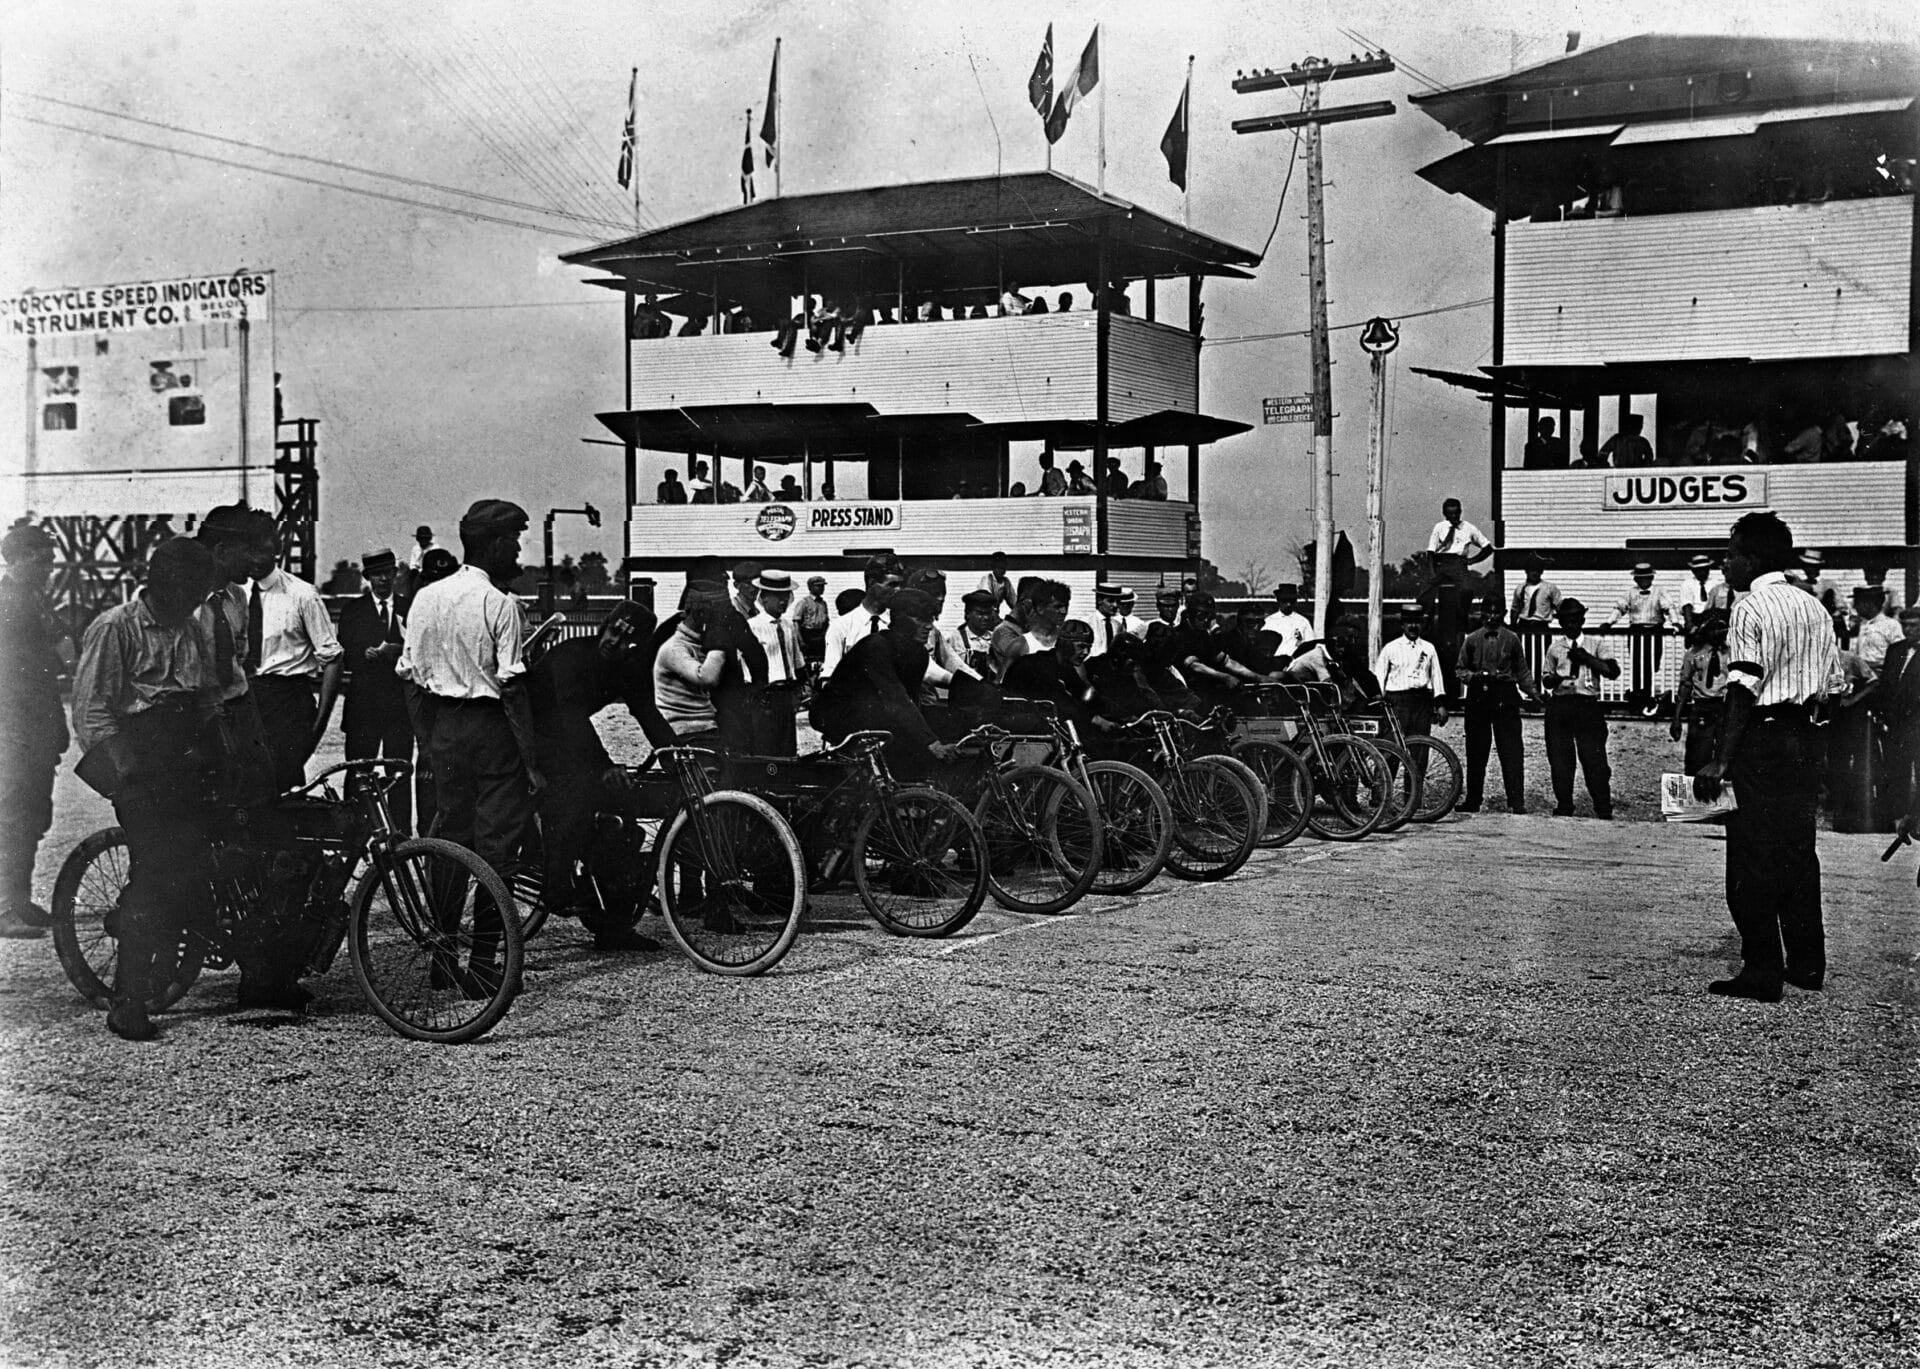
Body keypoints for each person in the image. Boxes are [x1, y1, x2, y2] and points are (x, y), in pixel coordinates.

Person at [69, 538, 224, 1039]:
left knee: (204, 861)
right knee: (155, 872)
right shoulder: (116, 628)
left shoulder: (194, 628)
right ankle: (128, 998)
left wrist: (220, 751)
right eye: (193, 588)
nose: (199, 598)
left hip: (186, 758)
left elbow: (206, 698)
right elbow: (92, 711)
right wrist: (126, 783)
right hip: (140, 761)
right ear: (166, 583)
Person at [1696, 511, 1844, 1001]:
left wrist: (1720, 759)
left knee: (1752, 856)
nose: (1725, 562)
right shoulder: (1814, 608)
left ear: (1753, 559)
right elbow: (1836, 689)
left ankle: (1762, 971)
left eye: (1731, 552)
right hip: (1804, 736)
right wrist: (1816, 749)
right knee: (1798, 854)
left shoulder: (1750, 608)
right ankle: (1806, 962)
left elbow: (1742, 687)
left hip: (1760, 737)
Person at [397, 500, 541, 998]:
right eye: (516, 542)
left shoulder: (425, 598)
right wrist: (532, 762)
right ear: (496, 544)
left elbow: (409, 677)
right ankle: (484, 968)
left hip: (443, 729)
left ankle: (441, 956)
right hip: (491, 729)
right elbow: (514, 689)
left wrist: (428, 739)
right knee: (497, 850)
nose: (519, 551)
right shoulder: (500, 604)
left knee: (449, 845)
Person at [524, 602, 672, 951]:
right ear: (604, 625)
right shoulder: (572, 656)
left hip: (566, 740)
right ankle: (556, 884)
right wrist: (604, 766)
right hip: (532, 739)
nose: (615, 642)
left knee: (623, 815)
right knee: (575, 795)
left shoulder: (626, 668)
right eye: (613, 631)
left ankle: (614, 928)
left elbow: (647, 714)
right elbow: (572, 719)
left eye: (626, 640)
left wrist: (676, 755)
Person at [809, 588, 960, 780]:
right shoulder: (876, 647)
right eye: (921, 619)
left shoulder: (918, 654)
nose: (929, 626)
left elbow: (912, 702)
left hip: (873, 716)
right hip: (836, 717)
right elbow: (896, 698)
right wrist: (932, 743)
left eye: (931, 619)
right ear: (900, 619)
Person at [245, 512, 344, 792]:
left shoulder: (302, 595)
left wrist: (319, 725)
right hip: (248, 700)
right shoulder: (235, 594)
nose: (254, 558)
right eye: (248, 549)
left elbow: (333, 659)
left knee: (285, 790)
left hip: (289, 704)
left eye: (261, 549)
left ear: (277, 549)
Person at [0, 523, 67, 937]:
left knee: (32, 814)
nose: (48, 566)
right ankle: (4, 906)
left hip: (35, 721)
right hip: (11, 724)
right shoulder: (9, 602)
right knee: (9, 813)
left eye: (50, 559)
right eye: (40, 559)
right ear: (17, 559)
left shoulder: (32, 600)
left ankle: (19, 898)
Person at [337, 547, 422, 833]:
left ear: (396, 574)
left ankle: (401, 835)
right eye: (377, 574)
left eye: (388, 572)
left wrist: (395, 653)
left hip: (399, 706)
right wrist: (365, 654)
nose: (383, 579)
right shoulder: (352, 611)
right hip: (364, 705)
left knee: (398, 772)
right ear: (368, 577)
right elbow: (343, 652)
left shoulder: (411, 607)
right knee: (359, 770)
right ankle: (354, 831)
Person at [1456, 596, 1539, 813]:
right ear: (1482, 614)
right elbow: (1460, 669)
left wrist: (1534, 693)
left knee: (1511, 749)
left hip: (1505, 695)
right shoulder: (1472, 639)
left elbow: (1521, 670)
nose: (1492, 617)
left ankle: (1516, 801)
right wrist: (1474, 677)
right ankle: (1473, 800)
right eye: (1488, 612)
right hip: (1479, 695)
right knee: (1476, 750)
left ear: (1502, 614)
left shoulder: (1512, 639)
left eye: (1496, 613)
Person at [1540, 597, 1620, 819]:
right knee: (1560, 759)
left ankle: (1602, 806)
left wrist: (1586, 658)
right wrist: (1555, 679)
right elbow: (1546, 679)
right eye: (1566, 620)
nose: (1571, 624)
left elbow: (1613, 672)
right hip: (1561, 705)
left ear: (1583, 619)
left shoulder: (1596, 644)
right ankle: (1564, 804)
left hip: (1587, 706)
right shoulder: (1555, 648)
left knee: (1594, 759)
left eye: (1575, 619)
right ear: (1561, 623)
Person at [653, 584, 729, 738]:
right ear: (699, 612)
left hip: (704, 727)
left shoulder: (698, 643)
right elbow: (707, 678)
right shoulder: (674, 648)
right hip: (684, 731)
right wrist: (719, 645)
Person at [745, 569, 805, 755]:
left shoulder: (788, 626)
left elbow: (796, 659)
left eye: (786, 596)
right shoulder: (753, 626)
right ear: (763, 598)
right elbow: (745, 663)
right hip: (765, 695)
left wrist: (800, 687)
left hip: (786, 694)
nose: (783, 601)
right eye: (777, 596)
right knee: (766, 744)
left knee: (786, 744)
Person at [821, 554, 905, 678]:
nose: (898, 590)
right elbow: (830, 674)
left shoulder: (901, 625)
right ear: (871, 583)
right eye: (892, 585)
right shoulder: (841, 627)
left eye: (900, 585)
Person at [1873, 607, 1920, 829]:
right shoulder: (1895, 649)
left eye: (1913, 625)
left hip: (1917, 721)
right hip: (1895, 721)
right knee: (1895, 769)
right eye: (1905, 625)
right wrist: (1881, 713)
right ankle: (1896, 818)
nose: (1908, 630)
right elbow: (1885, 684)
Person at [1375, 605, 1447, 746]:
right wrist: (1379, 702)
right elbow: (1379, 677)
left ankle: (1417, 769)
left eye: (1417, 622)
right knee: (1392, 747)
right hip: (1397, 703)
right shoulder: (1390, 648)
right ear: (1402, 625)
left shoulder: (1429, 648)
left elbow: (1436, 677)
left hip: (1422, 703)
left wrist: (1440, 705)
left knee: (1419, 748)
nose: (1413, 626)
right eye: (1409, 622)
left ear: (1422, 624)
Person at [1608, 562, 1674, 714]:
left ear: (1651, 577)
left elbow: (1669, 608)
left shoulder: (1660, 592)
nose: (1643, 581)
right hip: (1636, 632)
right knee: (1637, 665)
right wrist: (1608, 622)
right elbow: (1619, 608)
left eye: (1646, 578)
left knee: (1652, 664)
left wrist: (1676, 622)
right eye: (1639, 578)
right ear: (1635, 580)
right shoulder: (1630, 593)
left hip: (1655, 631)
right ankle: (1639, 696)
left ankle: (1648, 694)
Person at [1670, 612, 1731, 776]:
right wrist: (1676, 718)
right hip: (1702, 707)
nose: (1719, 632)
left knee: (1727, 755)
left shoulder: (1731, 653)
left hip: (1725, 707)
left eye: (1722, 628)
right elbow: (1685, 685)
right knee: (1697, 756)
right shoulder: (1693, 654)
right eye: (1714, 628)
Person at [947, 589, 1001, 676]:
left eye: (988, 613)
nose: (986, 618)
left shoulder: (996, 639)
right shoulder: (954, 639)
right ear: (968, 613)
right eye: (980, 613)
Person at [1677, 553, 1731, 633]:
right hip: (1694, 618)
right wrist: (1689, 623)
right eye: (1699, 569)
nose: (1702, 572)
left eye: (1705, 569)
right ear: (1693, 571)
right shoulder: (1687, 584)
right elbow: (1686, 604)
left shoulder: (1715, 584)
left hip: (1711, 618)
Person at [794, 575, 833, 673]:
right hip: (808, 636)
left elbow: (826, 622)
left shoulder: (823, 603)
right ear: (810, 587)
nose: (821, 588)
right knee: (808, 664)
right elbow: (796, 622)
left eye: (823, 586)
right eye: (818, 586)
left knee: (820, 663)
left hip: (820, 636)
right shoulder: (804, 602)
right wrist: (800, 640)